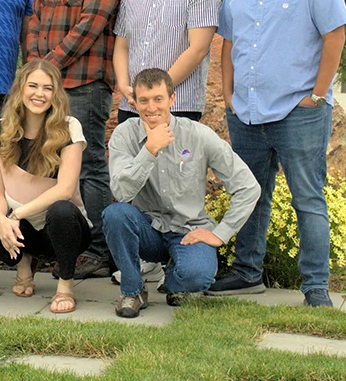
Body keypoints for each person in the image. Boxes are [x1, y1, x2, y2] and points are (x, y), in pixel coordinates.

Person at [207, 0, 346, 308]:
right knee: (250, 193)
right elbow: (230, 42)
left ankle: (315, 286)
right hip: (248, 113)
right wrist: (230, 97)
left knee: (307, 198)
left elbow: (335, 36)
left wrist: (318, 95)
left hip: (299, 111)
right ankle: (247, 273)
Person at [104, 68, 260, 318]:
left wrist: (221, 234)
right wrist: (149, 150)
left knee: (198, 275)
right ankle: (132, 291)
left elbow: (248, 186)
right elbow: (121, 193)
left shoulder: (198, 134)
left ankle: (175, 284)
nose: (151, 108)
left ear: (172, 100)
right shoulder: (125, 134)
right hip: (148, 229)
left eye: (158, 99)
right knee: (115, 215)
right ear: (135, 102)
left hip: (188, 231)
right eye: (143, 100)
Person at [26, 0, 124, 279]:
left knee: (89, 168)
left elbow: (91, 24)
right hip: (49, 86)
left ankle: (100, 249)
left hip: (83, 85)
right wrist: (36, 65)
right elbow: (35, 17)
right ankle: (60, 246)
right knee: (50, 166)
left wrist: (46, 66)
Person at [0, 60, 90, 314]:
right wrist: (2, 221)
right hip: (22, 226)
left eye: (47, 88)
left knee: (61, 210)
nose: (40, 94)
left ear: (56, 93)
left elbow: (65, 190)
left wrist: (17, 214)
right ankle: (24, 264)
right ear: (20, 89)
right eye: (33, 86)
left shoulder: (69, 127)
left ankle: (65, 285)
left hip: (60, 227)